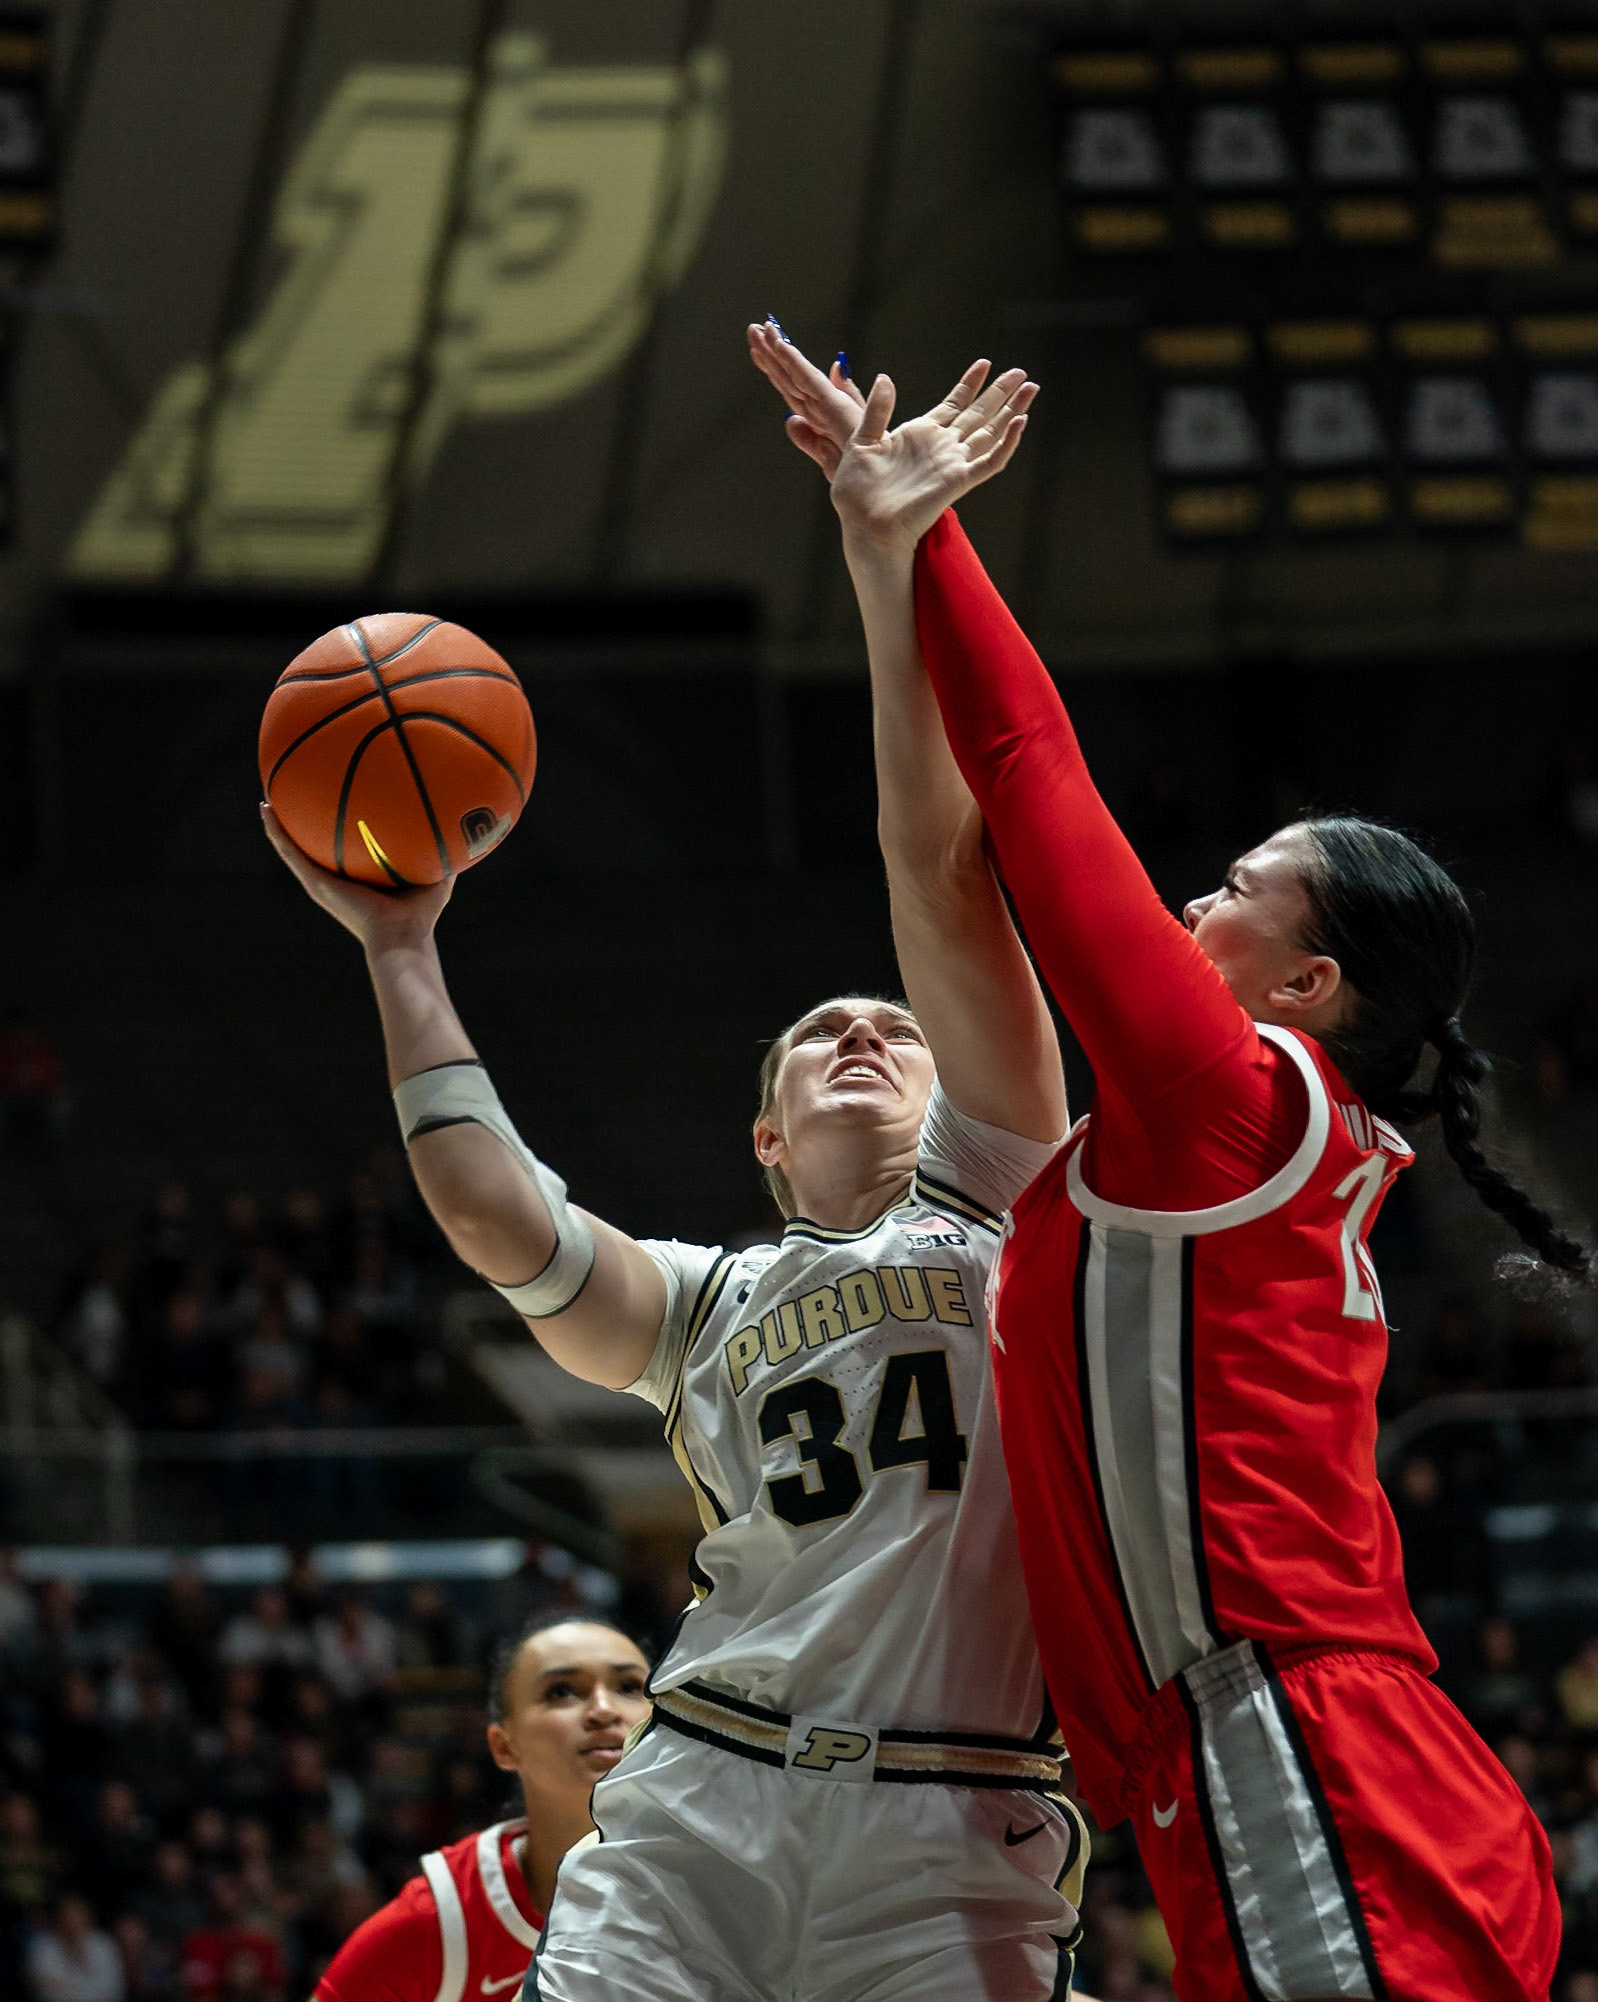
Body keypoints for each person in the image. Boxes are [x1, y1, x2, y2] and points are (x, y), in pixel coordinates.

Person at [749, 321, 1580, 2002]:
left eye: (1239, 884)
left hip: (1305, 1741)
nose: (1194, 893)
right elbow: (966, 844)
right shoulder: (1218, 1145)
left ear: (1305, 981)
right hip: (1292, 1755)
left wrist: (923, 530)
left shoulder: (1228, 1096)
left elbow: (1025, 774)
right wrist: (878, 545)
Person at [261, 388, 1088, 1998]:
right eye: (817, 1038)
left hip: (950, 1811)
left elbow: (940, 870)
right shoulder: (707, 1299)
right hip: (702, 1793)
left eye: (894, 1027)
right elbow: (501, 1220)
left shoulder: (1005, 1195)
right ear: (767, 1136)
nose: (862, 1029)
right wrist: (404, 949)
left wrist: (881, 554)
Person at [313, 1618, 650, 2002]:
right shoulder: (442, 1919)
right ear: (504, 1746)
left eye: (628, 1687)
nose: (604, 1710)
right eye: (561, 1691)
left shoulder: (723, 1878)